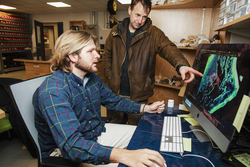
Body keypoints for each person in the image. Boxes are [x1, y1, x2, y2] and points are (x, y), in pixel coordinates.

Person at [33, 30, 167, 167]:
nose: (97, 55)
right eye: (91, 51)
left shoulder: (91, 78)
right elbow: (72, 146)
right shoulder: (53, 91)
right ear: (73, 56)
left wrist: (145, 107)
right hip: (68, 152)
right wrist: (124, 155)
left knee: (146, 136)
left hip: (94, 134)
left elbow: (114, 100)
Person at [103, 0, 204, 125]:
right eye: (137, 15)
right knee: (113, 127)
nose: (140, 21)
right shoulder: (115, 31)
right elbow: (107, 55)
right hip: (115, 93)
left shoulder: (154, 33)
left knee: (136, 132)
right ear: (130, 10)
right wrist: (110, 76)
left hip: (139, 96)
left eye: (144, 17)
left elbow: (169, 48)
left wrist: (182, 65)